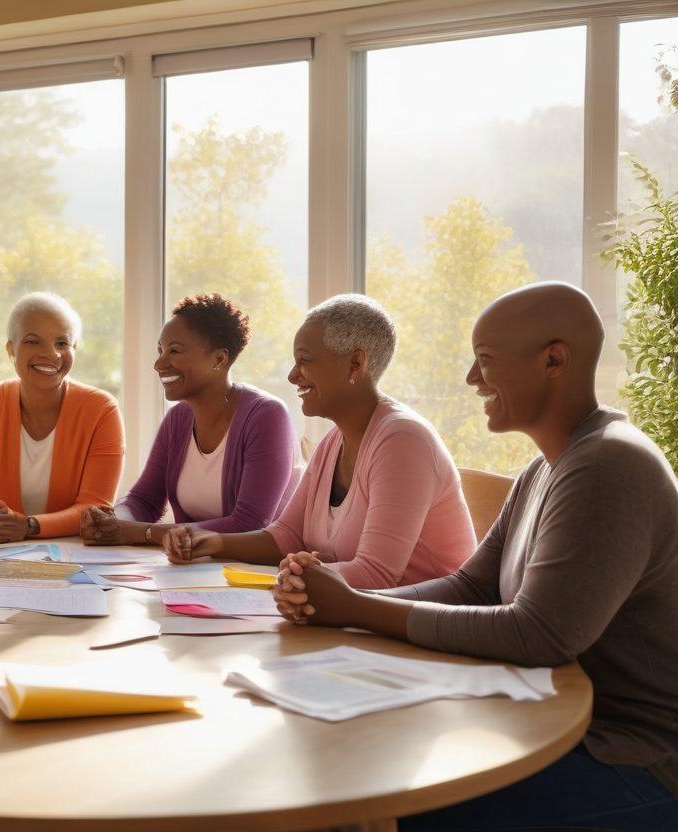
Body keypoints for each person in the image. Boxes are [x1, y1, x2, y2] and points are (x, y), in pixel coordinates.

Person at [275, 283, 678, 830]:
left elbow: (540, 635)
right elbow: (471, 587)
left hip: (629, 758)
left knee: (372, 800)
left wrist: (356, 609)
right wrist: (349, 601)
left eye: (485, 361)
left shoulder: (607, 467)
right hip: (547, 723)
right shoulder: (547, 467)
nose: (470, 379)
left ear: (554, 360)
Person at [163, 294, 475, 589]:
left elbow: (377, 574)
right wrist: (209, 541)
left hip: (419, 630)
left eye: (304, 360)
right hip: (359, 623)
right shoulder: (334, 441)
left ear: (356, 364)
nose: (292, 376)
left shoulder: (403, 440)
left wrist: (299, 574)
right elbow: (286, 536)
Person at [80, 294, 301, 548]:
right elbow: (144, 501)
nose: (159, 364)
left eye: (174, 351)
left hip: (254, 574)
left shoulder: (266, 416)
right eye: (160, 351)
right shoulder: (178, 419)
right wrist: (112, 521)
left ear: (219, 359)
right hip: (193, 570)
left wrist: (141, 533)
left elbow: (250, 523)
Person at [0, 292, 124, 541]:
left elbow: (95, 508)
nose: (51, 354)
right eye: (32, 341)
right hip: (2, 551)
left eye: (62, 343)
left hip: (74, 551)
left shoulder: (102, 409)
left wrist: (29, 526)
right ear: (10, 348)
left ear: (75, 348)